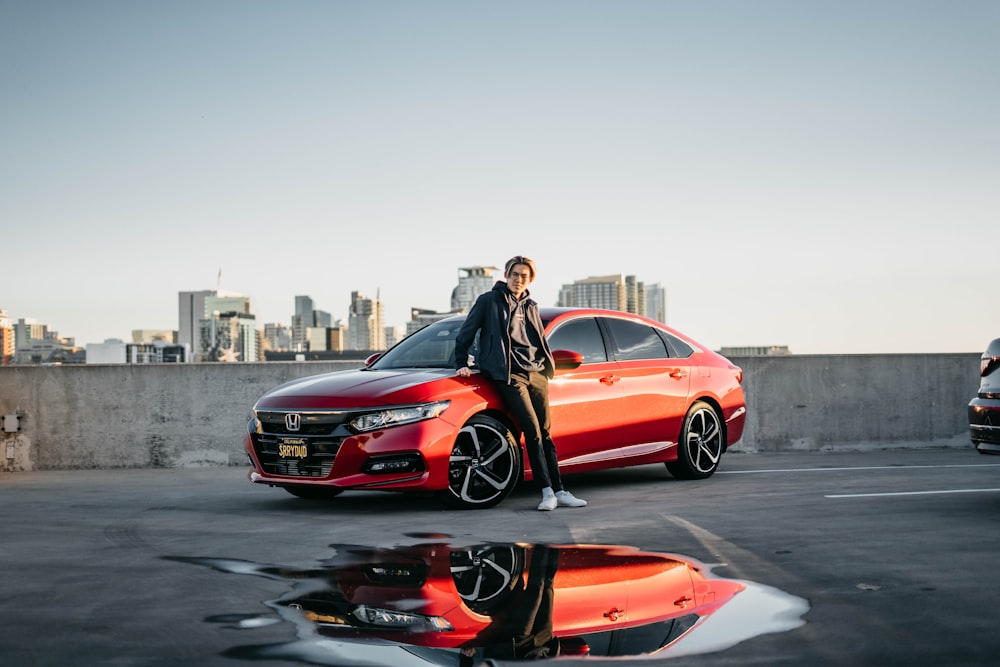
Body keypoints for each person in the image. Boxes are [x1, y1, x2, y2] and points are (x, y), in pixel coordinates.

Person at [454, 255, 587, 511]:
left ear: (530, 279)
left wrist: (547, 368)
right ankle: (547, 491)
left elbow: (539, 341)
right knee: (532, 431)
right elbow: (466, 333)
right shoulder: (488, 301)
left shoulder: (531, 305)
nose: (518, 279)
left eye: (524, 276)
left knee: (546, 433)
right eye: (515, 274)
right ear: (506, 275)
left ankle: (560, 490)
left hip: (536, 373)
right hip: (510, 375)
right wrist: (461, 362)